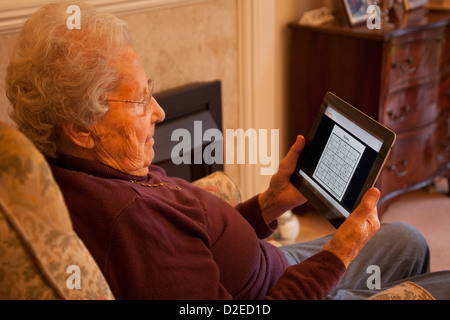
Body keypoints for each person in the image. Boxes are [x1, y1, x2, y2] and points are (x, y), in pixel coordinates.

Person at [5, 1, 450, 300]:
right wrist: (340, 253)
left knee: (407, 237)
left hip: (270, 262)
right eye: (139, 100)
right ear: (81, 128)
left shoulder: (77, 168)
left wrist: (269, 203)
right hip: (292, 288)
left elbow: (194, 238)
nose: (159, 112)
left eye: (150, 92)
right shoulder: (130, 225)